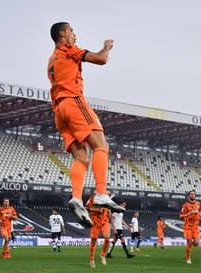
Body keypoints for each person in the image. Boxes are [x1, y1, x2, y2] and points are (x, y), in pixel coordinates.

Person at [47, 22, 125, 228]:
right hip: (73, 101)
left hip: (59, 111)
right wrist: (107, 46)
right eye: (72, 31)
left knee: (81, 157)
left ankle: (76, 198)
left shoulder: (51, 60)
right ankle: (101, 193)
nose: (75, 34)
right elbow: (101, 59)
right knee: (101, 145)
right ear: (63, 34)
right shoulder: (68, 49)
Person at [86, 195, 110, 268]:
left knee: (107, 238)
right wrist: (96, 210)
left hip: (104, 221)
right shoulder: (91, 199)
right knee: (93, 241)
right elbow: (86, 208)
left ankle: (102, 255)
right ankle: (92, 259)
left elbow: (109, 206)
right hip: (95, 223)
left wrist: (109, 211)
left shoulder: (107, 197)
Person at [180, 190, 201, 264]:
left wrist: (200, 216)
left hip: (195, 226)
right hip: (188, 227)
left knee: (196, 243)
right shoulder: (185, 205)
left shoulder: (198, 203)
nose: (193, 195)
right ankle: (188, 258)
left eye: (194, 194)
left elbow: (199, 211)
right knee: (189, 243)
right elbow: (181, 215)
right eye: (191, 194)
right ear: (188, 196)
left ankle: (189, 244)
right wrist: (188, 213)